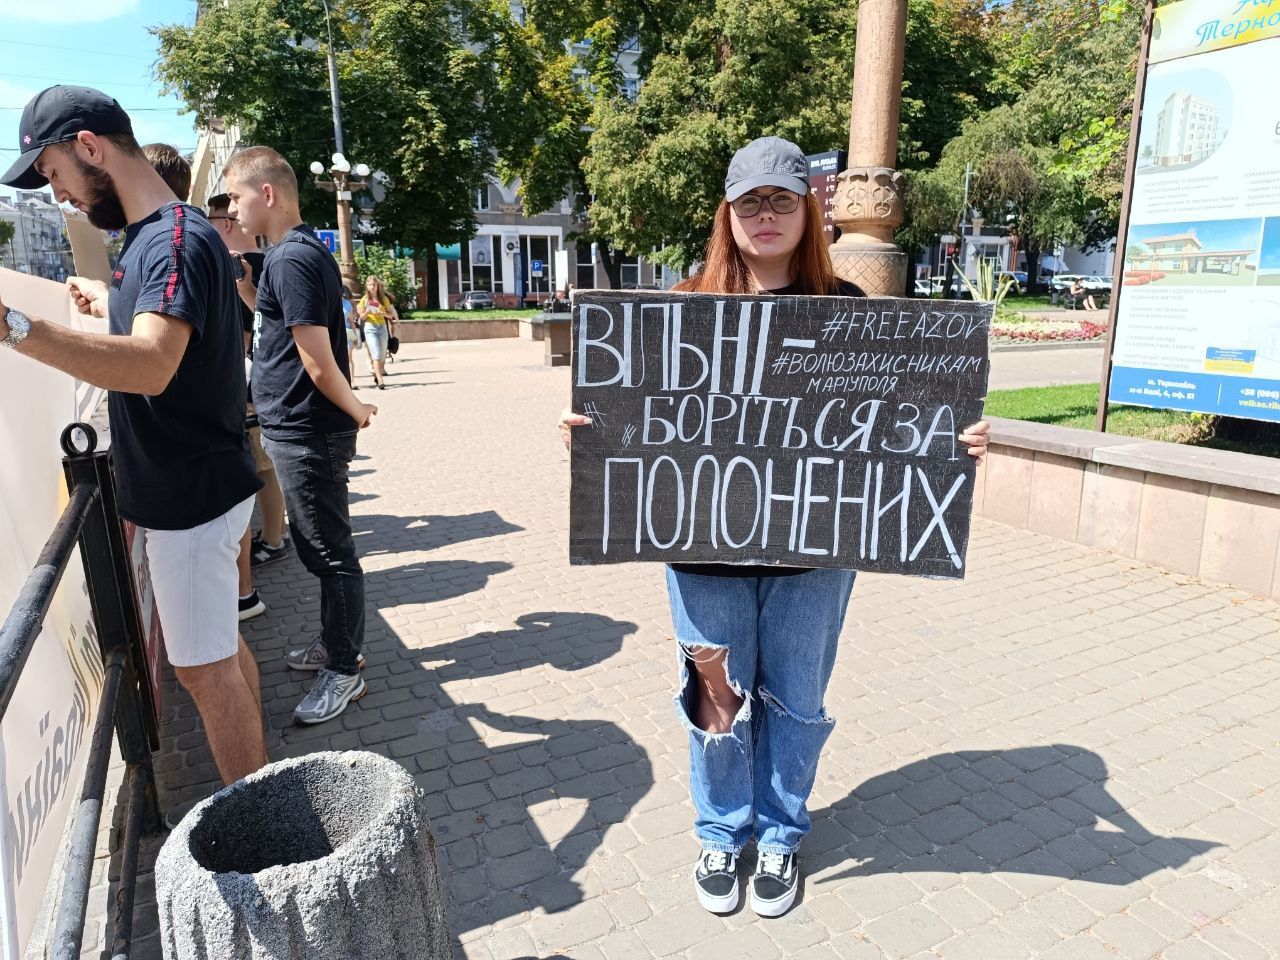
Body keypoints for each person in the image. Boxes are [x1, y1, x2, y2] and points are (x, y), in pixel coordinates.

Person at [559, 136, 991, 918]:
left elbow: (896, 426)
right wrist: (590, 436)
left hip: (816, 558)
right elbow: (633, 421)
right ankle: (722, 831)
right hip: (701, 554)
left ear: (810, 211)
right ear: (728, 213)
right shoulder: (683, 309)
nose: (765, 214)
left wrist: (951, 440)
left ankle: (783, 834)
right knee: (715, 700)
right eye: (749, 200)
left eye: (781, 199)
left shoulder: (849, 316)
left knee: (797, 702)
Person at [0, 85, 267, 785]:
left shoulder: (168, 242)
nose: (59, 196)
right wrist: (105, 306)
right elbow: (156, 340)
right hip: (204, 482)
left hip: (188, 497)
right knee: (221, 651)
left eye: (55, 174)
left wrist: (13, 327)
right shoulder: (167, 234)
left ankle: (267, 827)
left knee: (203, 670)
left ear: (89, 147)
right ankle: (268, 789)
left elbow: (151, 364)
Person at [224, 146, 377, 724]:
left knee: (329, 555)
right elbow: (281, 331)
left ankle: (344, 667)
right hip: (301, 427)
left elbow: (316, 360)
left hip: (309, 430)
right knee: (320, 551)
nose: (233, 210)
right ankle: (334, 645)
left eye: (237, 197)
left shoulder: (291, 259)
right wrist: (247, 292)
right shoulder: (293, 256)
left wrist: (357, 409)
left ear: (267, 194)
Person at [207, 192, 292, 578]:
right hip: (263, 384)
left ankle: (275, 539)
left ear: (224, 223)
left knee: (263, 470)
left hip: (254, 388)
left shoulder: (242, 269)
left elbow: (247, 334)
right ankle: (276, 534)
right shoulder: (268, 262)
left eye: (211, 220)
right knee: (265, 468)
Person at [356, 275, 398, 389]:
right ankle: (380, 380)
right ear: (367, 286)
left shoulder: (383, 299)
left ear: (377, 286)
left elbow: (390, 315)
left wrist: (383, 313)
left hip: (382, 327)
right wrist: (368, 310)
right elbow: (362, 317)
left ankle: (377, 373)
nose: (372, 287)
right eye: (370, 285)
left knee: (383, 353)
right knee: (376, 353)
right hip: (370, 328)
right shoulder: (364, 300)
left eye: (374, 285)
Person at [341, 287, 361, 387]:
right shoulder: (329, 301)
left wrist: (355, 337)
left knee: (349, 358)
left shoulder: (346, 303)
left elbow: (351, 321)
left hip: (347, 333)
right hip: (334, 335)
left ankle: (352, 381)